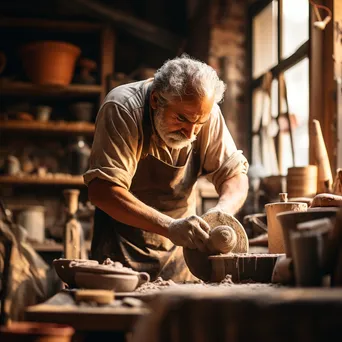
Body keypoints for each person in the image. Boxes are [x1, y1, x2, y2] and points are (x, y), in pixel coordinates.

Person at [84, 55, 249, 281]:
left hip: (182, 250)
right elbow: (102, 190)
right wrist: (170, 227)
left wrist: (220, 214)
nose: (190, 134)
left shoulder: (205, 113)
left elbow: (235, 176)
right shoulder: (123, 108)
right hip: (121, 250)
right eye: (181, 119)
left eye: (199, 124)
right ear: (155, 100)